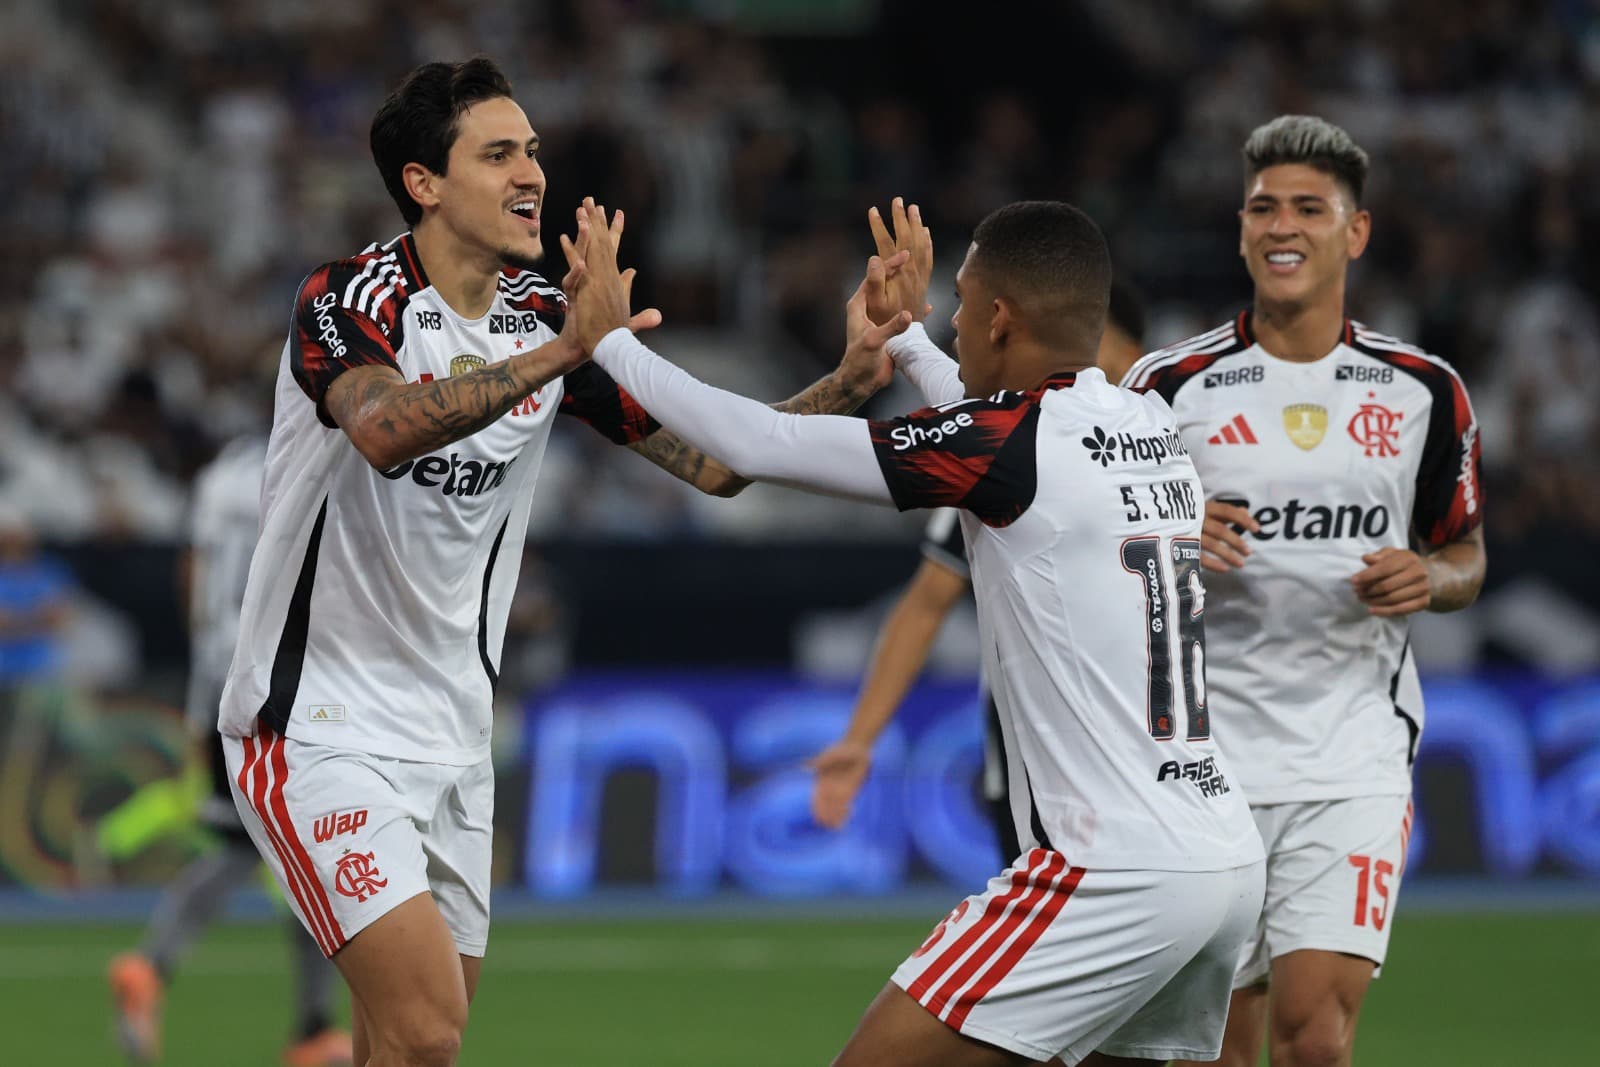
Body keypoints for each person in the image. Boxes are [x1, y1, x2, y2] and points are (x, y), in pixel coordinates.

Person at [215, 58, 894, 1067]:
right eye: (497, 154)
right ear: (424, 184)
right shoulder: (350, 297)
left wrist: (848, 378)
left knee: (401, 1050)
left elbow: (714, 467)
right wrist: (565, 352)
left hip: (453, 740)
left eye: (531, 149)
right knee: (428, 1030)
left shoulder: (542, 313)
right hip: (315, 728)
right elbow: (383, 427)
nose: (531, 172)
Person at [562, 195, 1264, 1066]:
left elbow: (756, 445)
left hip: (1113, 870)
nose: (955, 322)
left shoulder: (1010, 447)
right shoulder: (1143, 422)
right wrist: (904, 339)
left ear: (1002, 319)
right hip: (1224, 855)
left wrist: (609, 342)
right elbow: (985, 419)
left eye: (963, 306)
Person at [1121, 115, 1486, 1067]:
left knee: (1315, 1040)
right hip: (1205, 758)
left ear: (1354, 232)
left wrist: (1431, 576)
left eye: (1309, 209)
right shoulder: (1168, 388)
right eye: (1263, 208)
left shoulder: (1422, 390)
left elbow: (1468, 553)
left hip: (1352, 751)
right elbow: (1092, 552)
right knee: (1213, 1048)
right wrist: (1167, 535)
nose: (1283, 227)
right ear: (1242, 230)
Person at [808, 277, 1148, 862]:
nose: (1093, 373)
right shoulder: (1008, 461)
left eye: (1107, 359)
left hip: (1171, 757)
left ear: (1141, 359)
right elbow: (927, 602)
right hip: (1039, 769)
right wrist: (861, 739)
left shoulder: (1174, 446)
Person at [108, 435, 352, 1067]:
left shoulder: (218, 476)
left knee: (250, 847)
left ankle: (154, 970)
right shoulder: (315, 458)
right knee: (310, 852)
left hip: (221, 676)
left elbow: (193, 577)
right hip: (286, 677)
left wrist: (200, 694)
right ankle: (311, 1028)